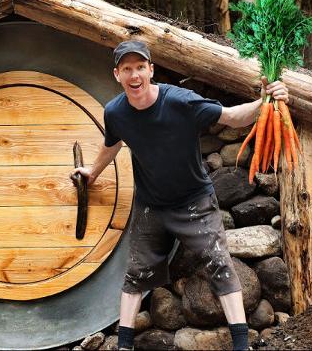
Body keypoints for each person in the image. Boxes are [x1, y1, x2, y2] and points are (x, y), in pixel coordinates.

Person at [72, 40, 289, 350]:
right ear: (117, 75)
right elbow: (112, 143)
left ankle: (242, 345)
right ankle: (124, 347)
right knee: (136, 274)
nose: (135, 76)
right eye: (127, 69)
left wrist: (264, 102)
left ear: (151, 70)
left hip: (194, 202)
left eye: (140, 68)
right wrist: (92, 173)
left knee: (219, 265)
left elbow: (232, 116)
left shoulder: (181, 102)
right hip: (151, 206)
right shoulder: (116, 112)